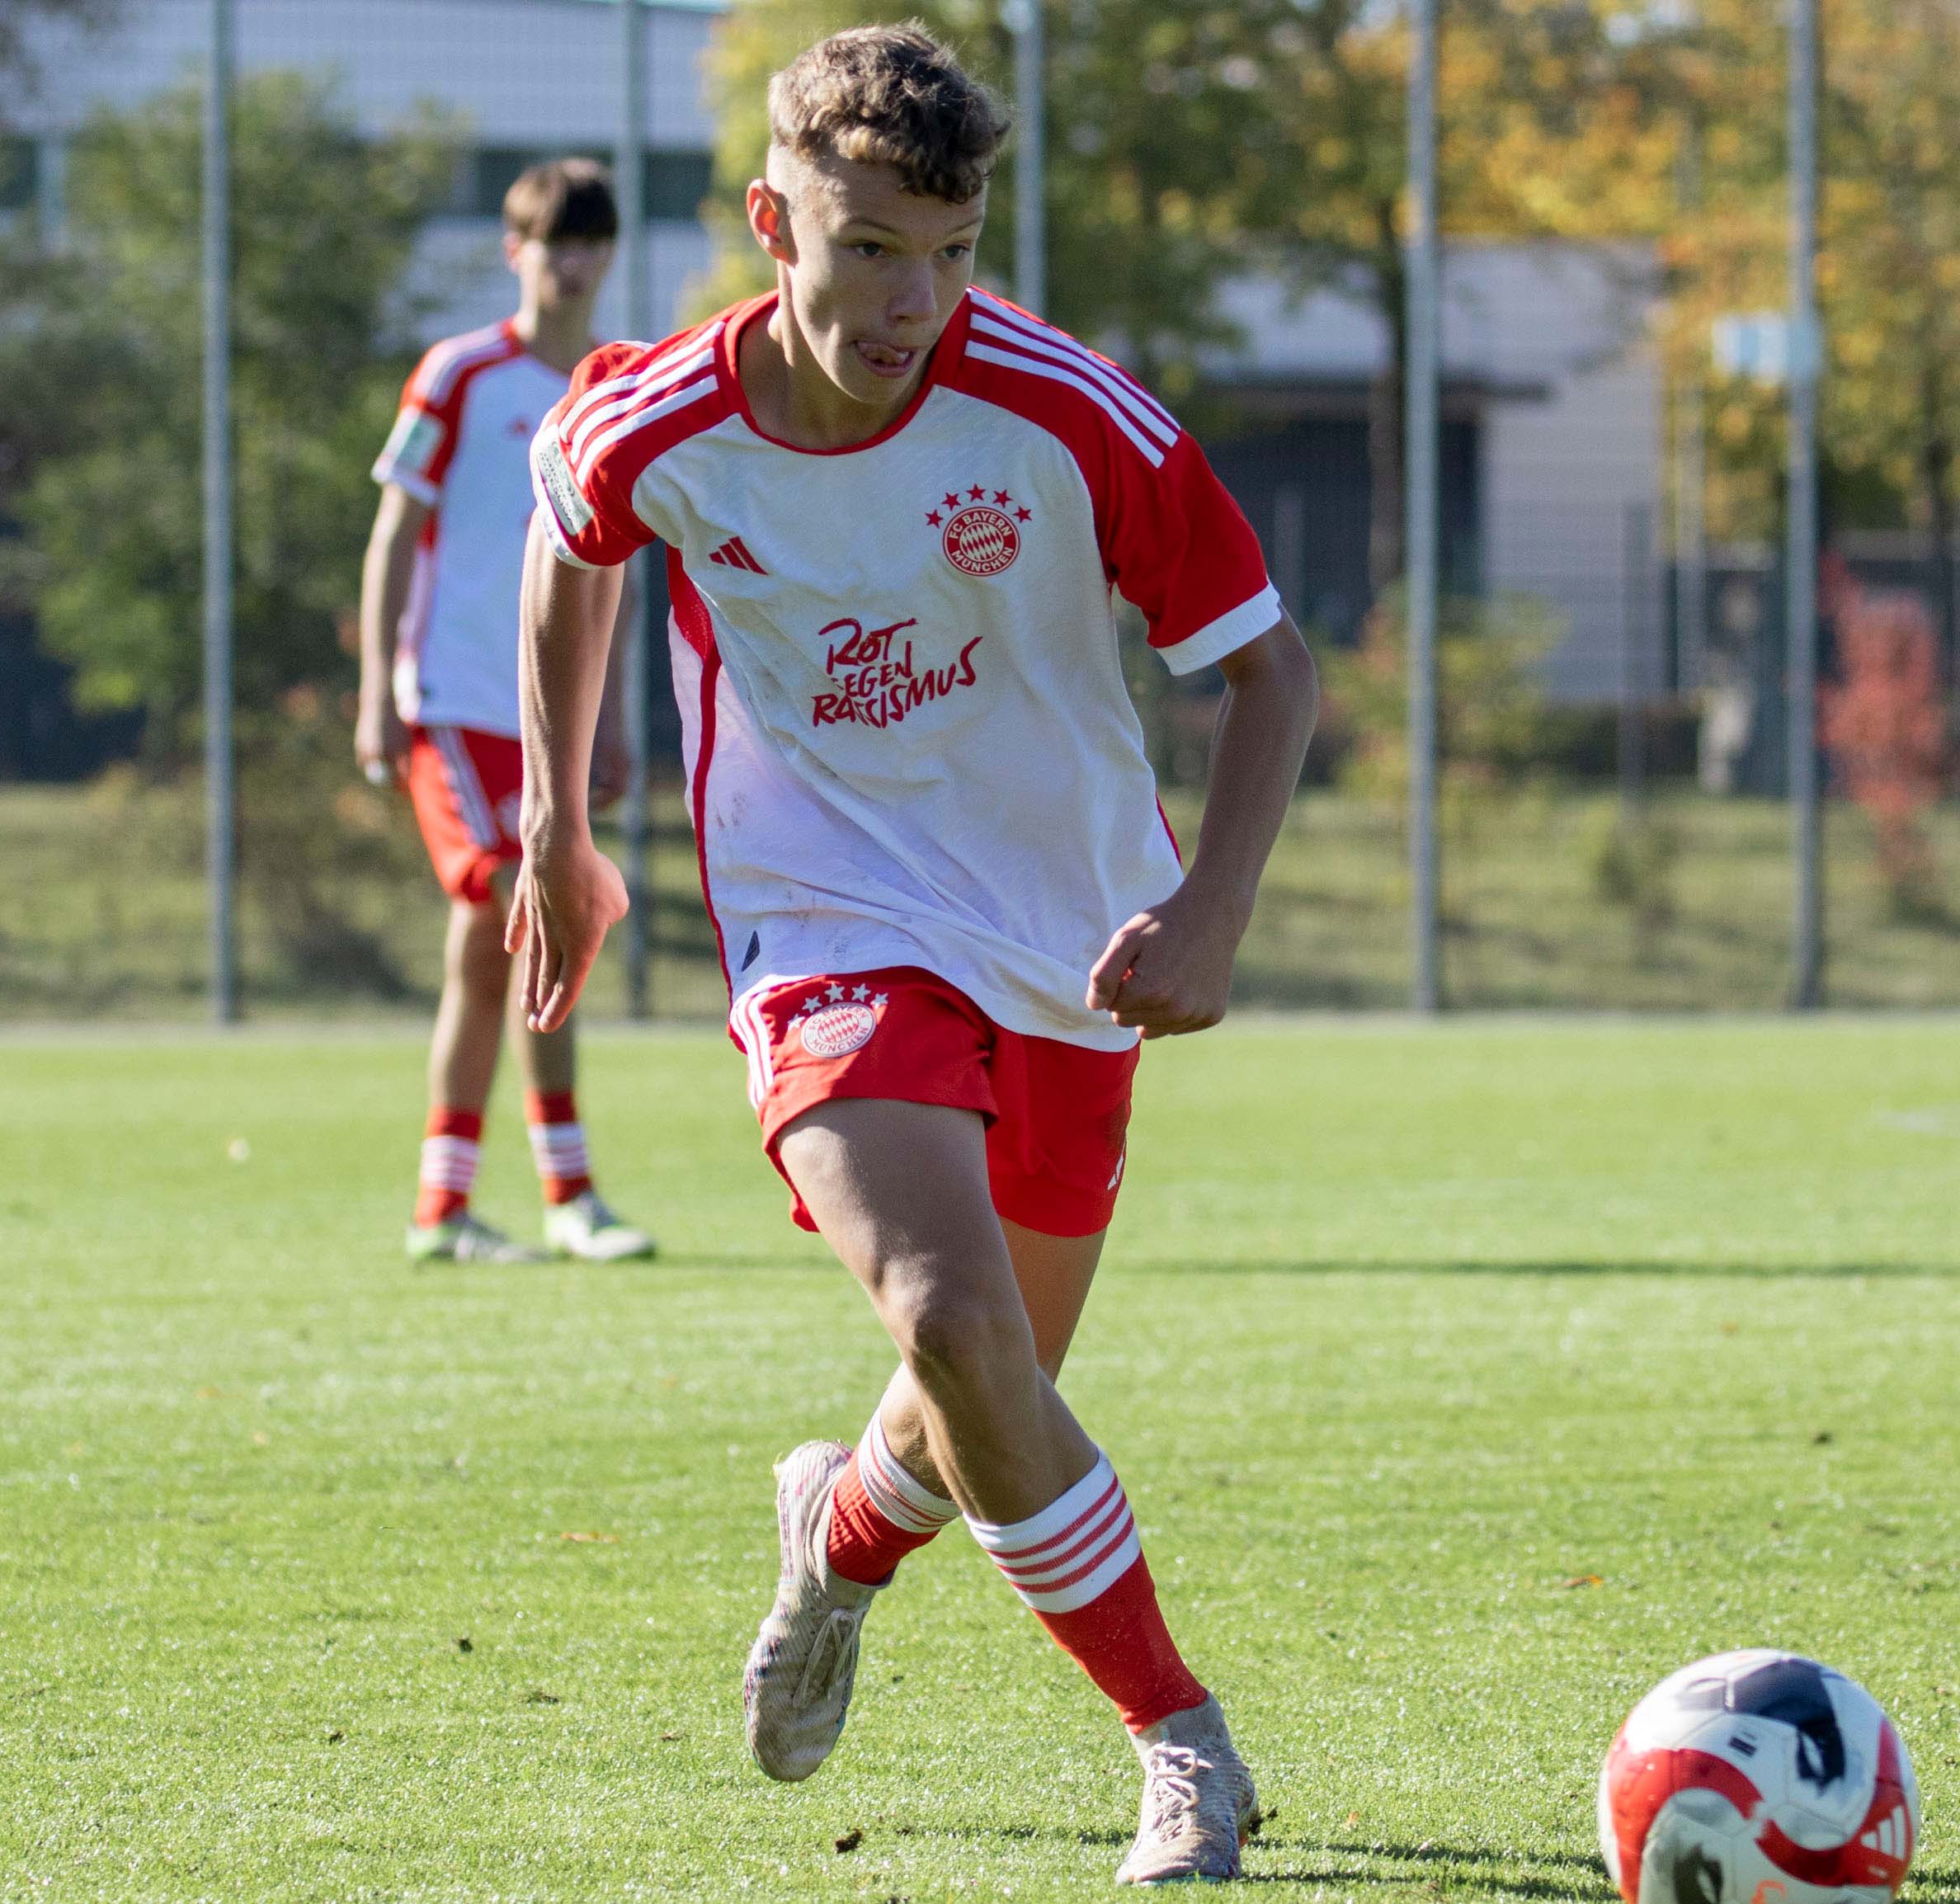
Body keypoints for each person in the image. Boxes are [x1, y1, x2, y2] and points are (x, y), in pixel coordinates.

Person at [506, 27, 1317, 1884]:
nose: (915, 302)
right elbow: (574, 535)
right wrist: (559, 814)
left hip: (1070, 930)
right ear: (768, 218)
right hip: (828, 914)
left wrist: (1210, 907)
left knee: (981, 1400)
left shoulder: (1062, 409)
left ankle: (840, 1537)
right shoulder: (655, 417)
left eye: (949, 252)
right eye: (869, 247)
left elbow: (1271, 667)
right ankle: (1182, 1737)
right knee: (954, 1322)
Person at [356, 159, 654, 1265]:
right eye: (550, 240)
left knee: (505, 945)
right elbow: (396, 530)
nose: (569, 262)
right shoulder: (459, 374)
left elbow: (611, 575)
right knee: (523, 910)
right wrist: (377, 691)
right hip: (452, 700)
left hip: (547, 718)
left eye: (588, 243)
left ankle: (458, 1206)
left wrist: (611, 720)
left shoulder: (611, 392)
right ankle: (558, 1192)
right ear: (512, 247)